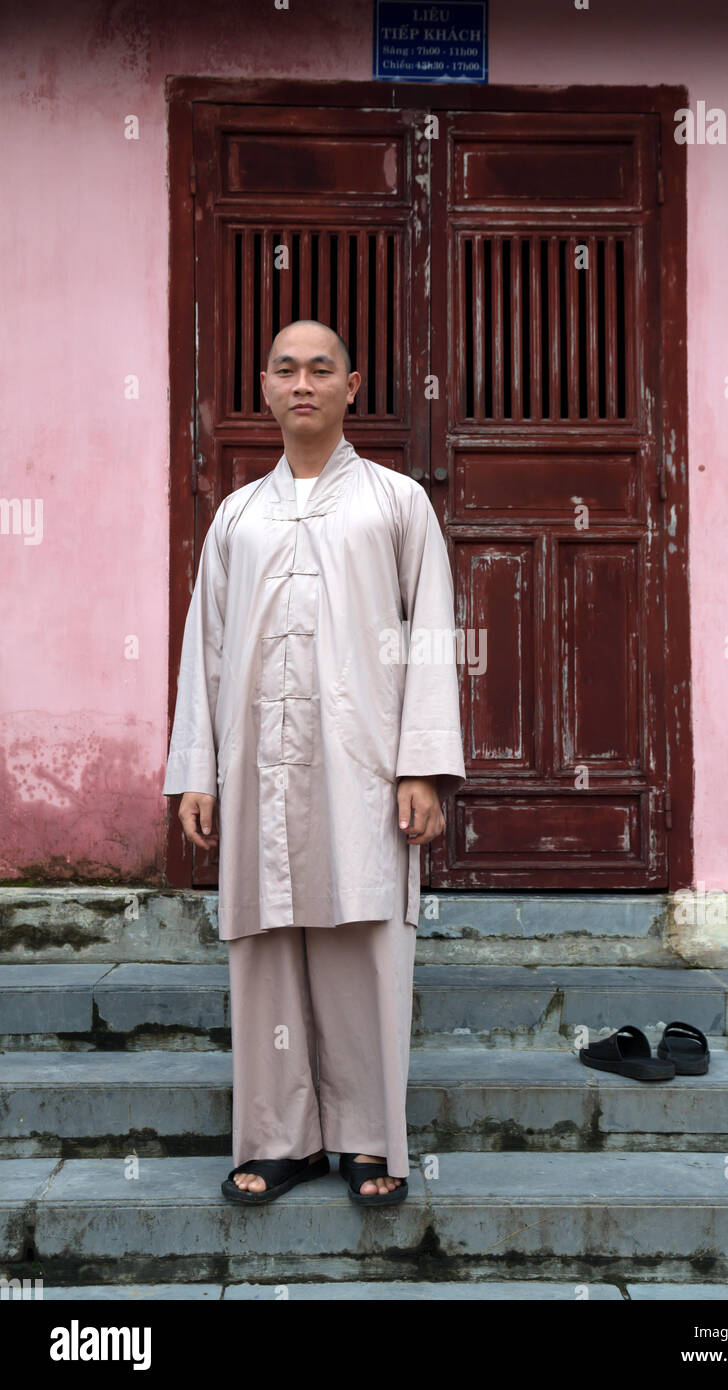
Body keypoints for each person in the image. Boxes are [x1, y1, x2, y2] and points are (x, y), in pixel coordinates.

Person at [162, 319, 465, 1205]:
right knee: (264, 944)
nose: (303, 383)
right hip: (258, 766)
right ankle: (278, 1137)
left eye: (320, 369)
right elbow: (204, 649)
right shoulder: (238, 517)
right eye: (286, 369)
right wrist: (197, 769)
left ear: (352, 385)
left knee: (364, 936)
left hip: (362, 760)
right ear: (264, 388)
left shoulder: (397, 503)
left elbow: (433, 639)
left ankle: (371, 1140)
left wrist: (422, 766)